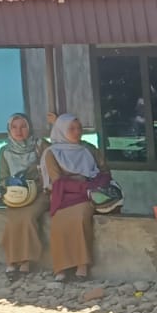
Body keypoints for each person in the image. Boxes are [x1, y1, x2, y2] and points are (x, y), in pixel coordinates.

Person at [42, 114, 110, 283]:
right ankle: (62, 267)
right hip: (63, 196)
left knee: (80, 217)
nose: (77, 132)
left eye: (79, 128)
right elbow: (57, 181)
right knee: (59, 221)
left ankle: (82, 266)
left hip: (88, 196)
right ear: (61, 130)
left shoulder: (88, 149)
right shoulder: (51, 153)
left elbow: (104, 171)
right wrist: (82, 184)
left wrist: (93, 184)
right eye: (71, 129)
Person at [0, 112, 48, 276]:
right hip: (17, 195)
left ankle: (26, 260)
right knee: (13, 220)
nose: (19, 131)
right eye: (14, 127)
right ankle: (12, 260)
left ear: (30, 128)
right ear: (9, 129)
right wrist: (12, 184)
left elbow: (52, 170)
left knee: (27, 217)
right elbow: (2, 178)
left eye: (23, 126)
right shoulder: (5, 152)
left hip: (41, 193)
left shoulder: (40, 146)